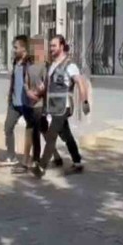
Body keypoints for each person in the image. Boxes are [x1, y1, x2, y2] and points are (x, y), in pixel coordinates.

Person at [32, 35, 90, 178]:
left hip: (64, 106)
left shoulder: (70, 65)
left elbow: (81, 83)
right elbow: (48, 86)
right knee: (66, 135)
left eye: (54, 46)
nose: (51, 48)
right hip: (52, 106)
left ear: (62, 46)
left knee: (52, 135)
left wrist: (85, 102)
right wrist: (40, 90)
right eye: (50, 46)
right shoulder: (52, 65)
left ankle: (41, 167)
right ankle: (77, 162)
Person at [12, 43, 62, 174]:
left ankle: (34, 161)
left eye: (39, 48)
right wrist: (28, 92)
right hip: (30, 103)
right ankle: (56, 157)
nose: (36, 51)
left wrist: (38, 94)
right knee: (43, 130)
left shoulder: (45, 66)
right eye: (34, 48)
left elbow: (47, 85)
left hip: (40, 105)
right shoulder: (29, 66)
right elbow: (26, 83)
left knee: (34, 132)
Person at [0, 35, 31, 166]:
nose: (14, 50)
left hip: (27, 103)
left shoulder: (29, 62)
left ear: (23, 48)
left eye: (16, 47)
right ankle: (11, 156)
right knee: (8, 127)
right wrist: (9, 94)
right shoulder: (15, 61)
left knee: (37, 129)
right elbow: (14, 80)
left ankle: (52, 153)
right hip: (14, 103)